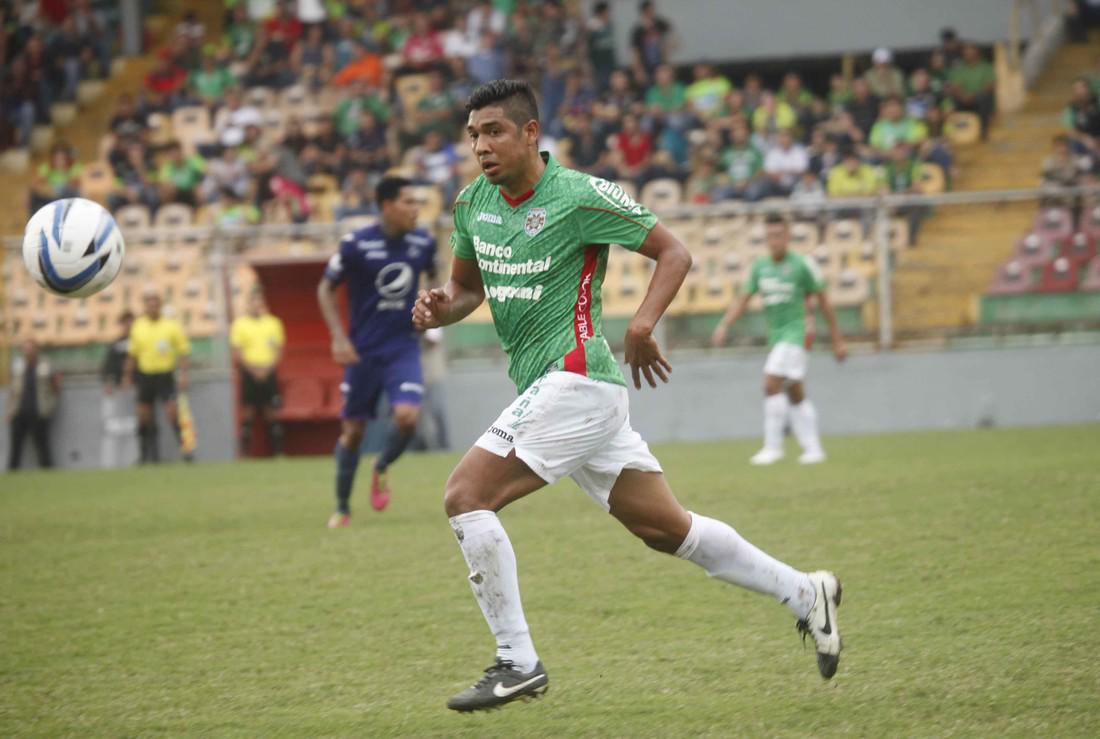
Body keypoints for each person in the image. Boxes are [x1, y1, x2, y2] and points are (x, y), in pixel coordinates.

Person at [412, 79, 843, 713]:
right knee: (666, 529)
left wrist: (642, 323)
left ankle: (517, 661)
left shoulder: (579, 195)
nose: (480, 145)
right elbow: (466, 292)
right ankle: (806, 592)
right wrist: (438, 309)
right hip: (560, 390)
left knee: (465, 496)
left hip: (578, 378)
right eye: (474, 133)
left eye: (495, 131)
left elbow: (674, 251)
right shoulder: (473, 203)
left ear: (531, 133)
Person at [318, 176, 438, 528]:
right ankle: (342, 507)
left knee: (407, 418)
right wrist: (339, 338)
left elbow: (434, 275)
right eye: (408, 202)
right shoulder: (356, 244)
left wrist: (429, 309)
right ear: (386, 206)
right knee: (353, 432)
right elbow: (326, 289)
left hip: (403, 346)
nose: (416, 209)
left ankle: (382, 464)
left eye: (418, 202)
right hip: (363, 351)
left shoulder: (422, 242)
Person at [711, 214, 847, 465]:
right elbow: (743, 299)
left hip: (797, 333)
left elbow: (824, 302)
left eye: (779, 235)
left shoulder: (803, 264)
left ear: (787, 236)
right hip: (777, 336)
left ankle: (773, 447)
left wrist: (837, 339)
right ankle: (813, 448)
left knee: (771, 382)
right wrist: (725, 324)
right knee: (794, 390)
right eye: (770, 236)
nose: (775, 240)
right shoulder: (760, 267)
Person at [123, 288, 192, 464]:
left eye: (155, 303)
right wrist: (127, 375)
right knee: (143, 416)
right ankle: (143, 455)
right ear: (145, 306)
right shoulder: (138, 326)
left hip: (165, 375)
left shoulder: (171, 325)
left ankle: (186, 452)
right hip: (145, 375)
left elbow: (183, 352)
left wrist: (184, 374)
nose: (152, 306)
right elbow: (132, 354)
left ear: (160, 305)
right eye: (149, 303)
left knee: (172, 414)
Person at [230, 290, 286, 457]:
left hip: (269, 372)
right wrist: (254, 370)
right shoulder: (239, 325)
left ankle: (278, 453)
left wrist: (267, 369)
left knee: (272, 412)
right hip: (249, 373)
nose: (256, 305)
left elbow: (279, 350)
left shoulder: (274, 323)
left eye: (259, 302)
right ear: (248, 304)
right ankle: (244, 454)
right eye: (253, 302)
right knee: (248, 412)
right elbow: (237, 352)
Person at [7, 339, 58, 470]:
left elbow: (55, 386)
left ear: (36, 349)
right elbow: (13, 389)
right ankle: (12, 473)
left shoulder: (45, 364)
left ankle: (48, 473)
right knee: (15, 446)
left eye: (30, 348)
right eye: (25, 348)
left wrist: (50, 404)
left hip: (39, 410)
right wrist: (10, 409)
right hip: (20, 410)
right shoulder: (18, 365)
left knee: (42, 445)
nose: (27, 351)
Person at [100, 310, 138, 467]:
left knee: (133, 427)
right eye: (125, 322)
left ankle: (133, 461)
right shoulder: (116, 344)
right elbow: (107, 366)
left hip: (134, 389)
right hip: (116, 391)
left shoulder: (139, 342)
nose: (128, 325)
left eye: (131, 322)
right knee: (113, 427)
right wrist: (109, 382)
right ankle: (111, 462)